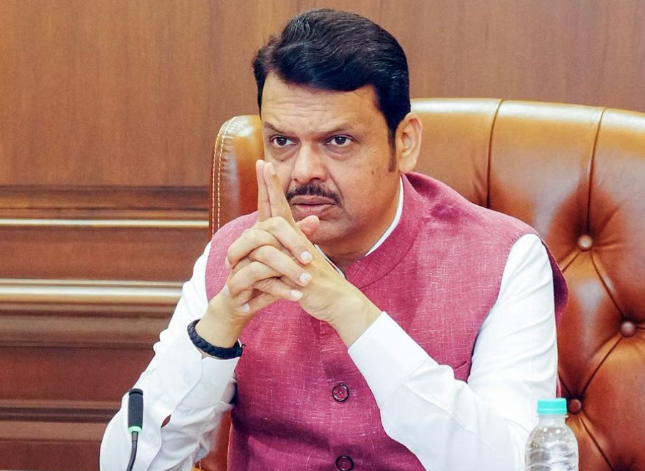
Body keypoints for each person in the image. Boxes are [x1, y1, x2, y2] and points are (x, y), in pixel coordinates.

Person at [101, 8, 567, 471]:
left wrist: (350, 311)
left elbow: (516, 464)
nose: (304, 172)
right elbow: (130, 464)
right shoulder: (234, 255)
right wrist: (221, 322)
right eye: (282, 142)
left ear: (404, 142)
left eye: (338, 141)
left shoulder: (506, 259)